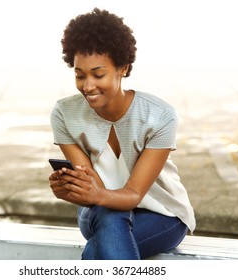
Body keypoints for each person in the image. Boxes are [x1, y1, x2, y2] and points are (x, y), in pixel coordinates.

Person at [49, 8, 196, 260]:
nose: (88, 86)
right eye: (79, 75)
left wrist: (94, 193)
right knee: (109, 212)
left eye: (98, 74)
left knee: (97, 252)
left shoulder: (160, 116)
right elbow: (92, 188)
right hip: (97, 211)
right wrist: (71, 188)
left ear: (123, 69)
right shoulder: (65, 114)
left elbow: (133, 195)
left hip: (161, 213)